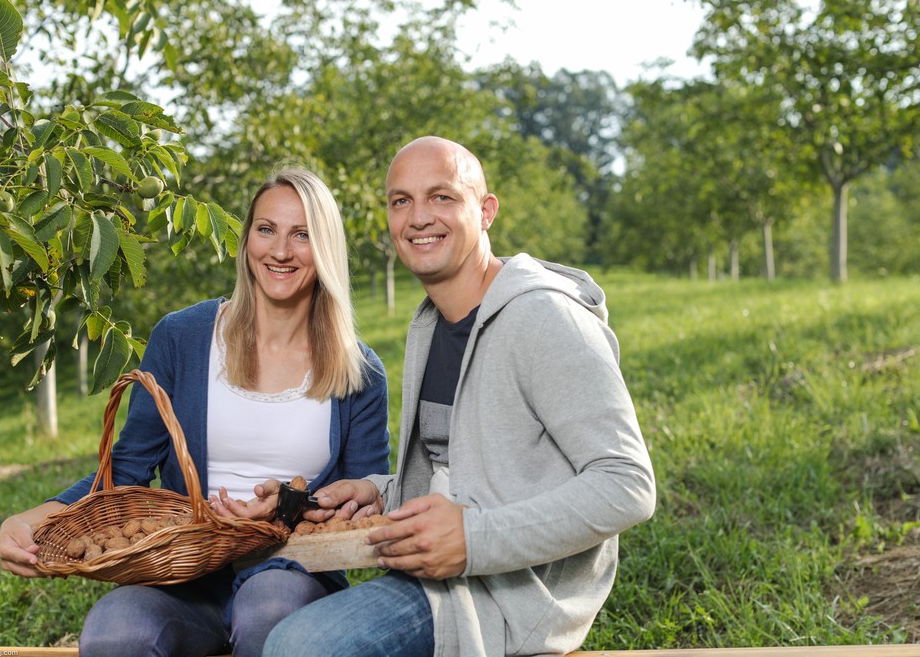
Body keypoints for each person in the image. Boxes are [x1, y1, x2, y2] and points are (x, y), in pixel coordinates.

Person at [262, 136, 656, 656]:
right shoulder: (430, 323)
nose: (418, 217)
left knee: (299, 647)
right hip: (440, 576)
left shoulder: (545, 319)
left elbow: (627, 485)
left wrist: (474, 539)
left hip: (514, 596)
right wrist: (380, 492)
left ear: (486, 211)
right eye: (401, 200)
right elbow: (470, 469)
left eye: (442, 197)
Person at [0, 167, 391, 657]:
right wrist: (35, 518)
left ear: (326, 248)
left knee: (268, 610)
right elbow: (128, 467)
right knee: (117, 629)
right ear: (247, 239)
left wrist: (288, 508)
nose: (281, 251)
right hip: (185, 571)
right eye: (266, 229)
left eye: (302, 235)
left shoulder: (359, 370)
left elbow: (367, 498)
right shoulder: (183, 337)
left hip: (291, 573)